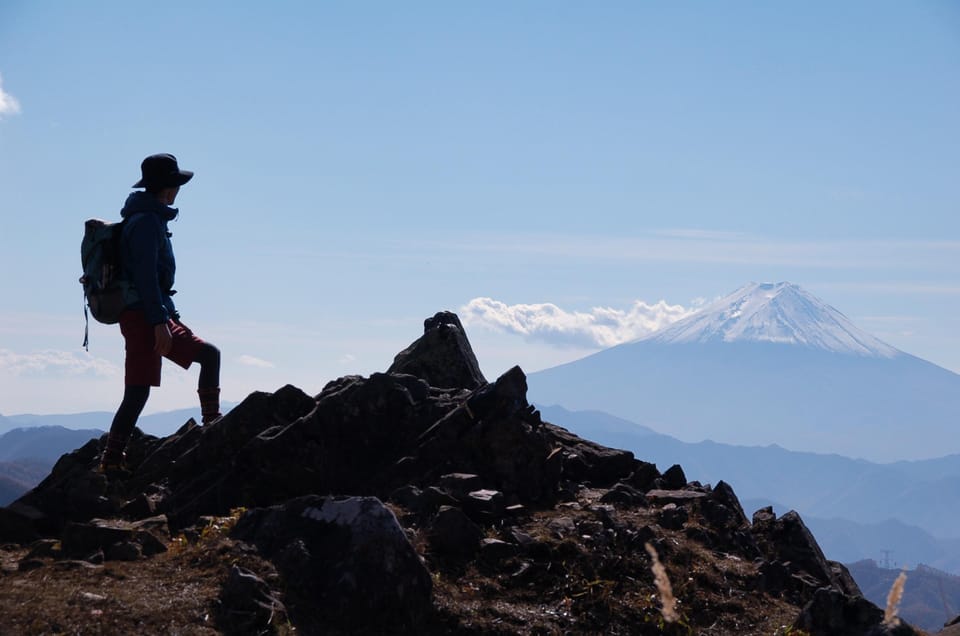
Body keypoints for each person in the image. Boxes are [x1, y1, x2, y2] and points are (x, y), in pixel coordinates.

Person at [99, 153, 222, 474]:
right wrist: (159, 323)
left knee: (138, 390)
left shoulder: (143, 218)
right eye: (176, 184)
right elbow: (146, 276)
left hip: (147, 313)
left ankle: (112, 460)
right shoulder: (147, 223)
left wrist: (168, 317)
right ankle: (214, 427)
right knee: (207, 357)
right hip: (146, 316)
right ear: (167, 188)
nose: (179, 190)